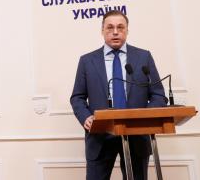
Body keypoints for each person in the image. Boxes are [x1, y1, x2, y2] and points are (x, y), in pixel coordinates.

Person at [70, 10, 167, 180]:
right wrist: (85, 117)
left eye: (120, 27)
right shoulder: (87, 61)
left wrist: (143, 117)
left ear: (127, 30)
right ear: (102, 31)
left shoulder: (143, 57)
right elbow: (77, 97)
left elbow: (158, 95)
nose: (115, 32)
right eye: (110, 28)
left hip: (136, 135)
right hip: (100, 136)